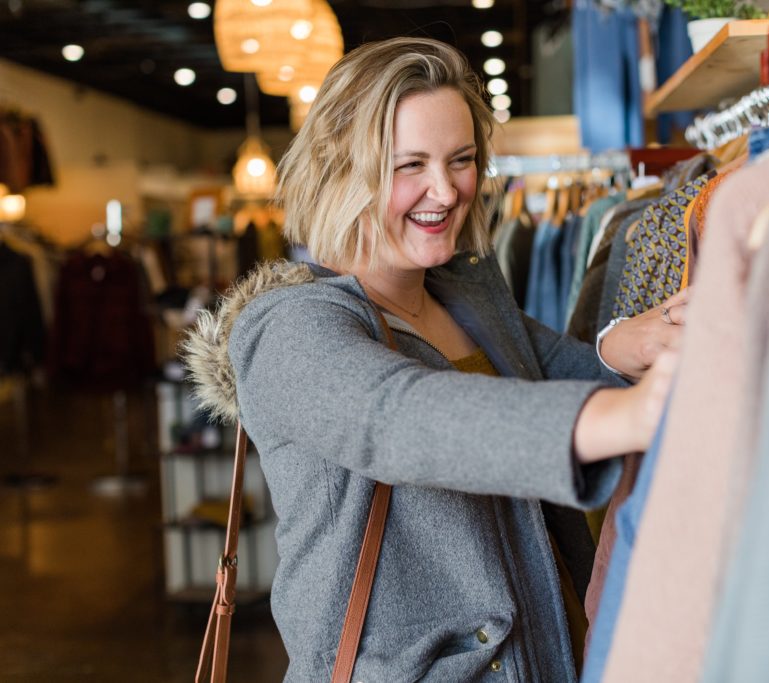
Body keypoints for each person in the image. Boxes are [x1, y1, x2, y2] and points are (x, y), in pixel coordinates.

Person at [184, 37, 686, 682]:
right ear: (342, 168)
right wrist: (638, 413)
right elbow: (398, 417)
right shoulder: (289, 329)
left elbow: (562, 374)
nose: (445, 191)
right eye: (409, 165)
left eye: (462, 159)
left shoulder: (467, 292)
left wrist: (631, 343)